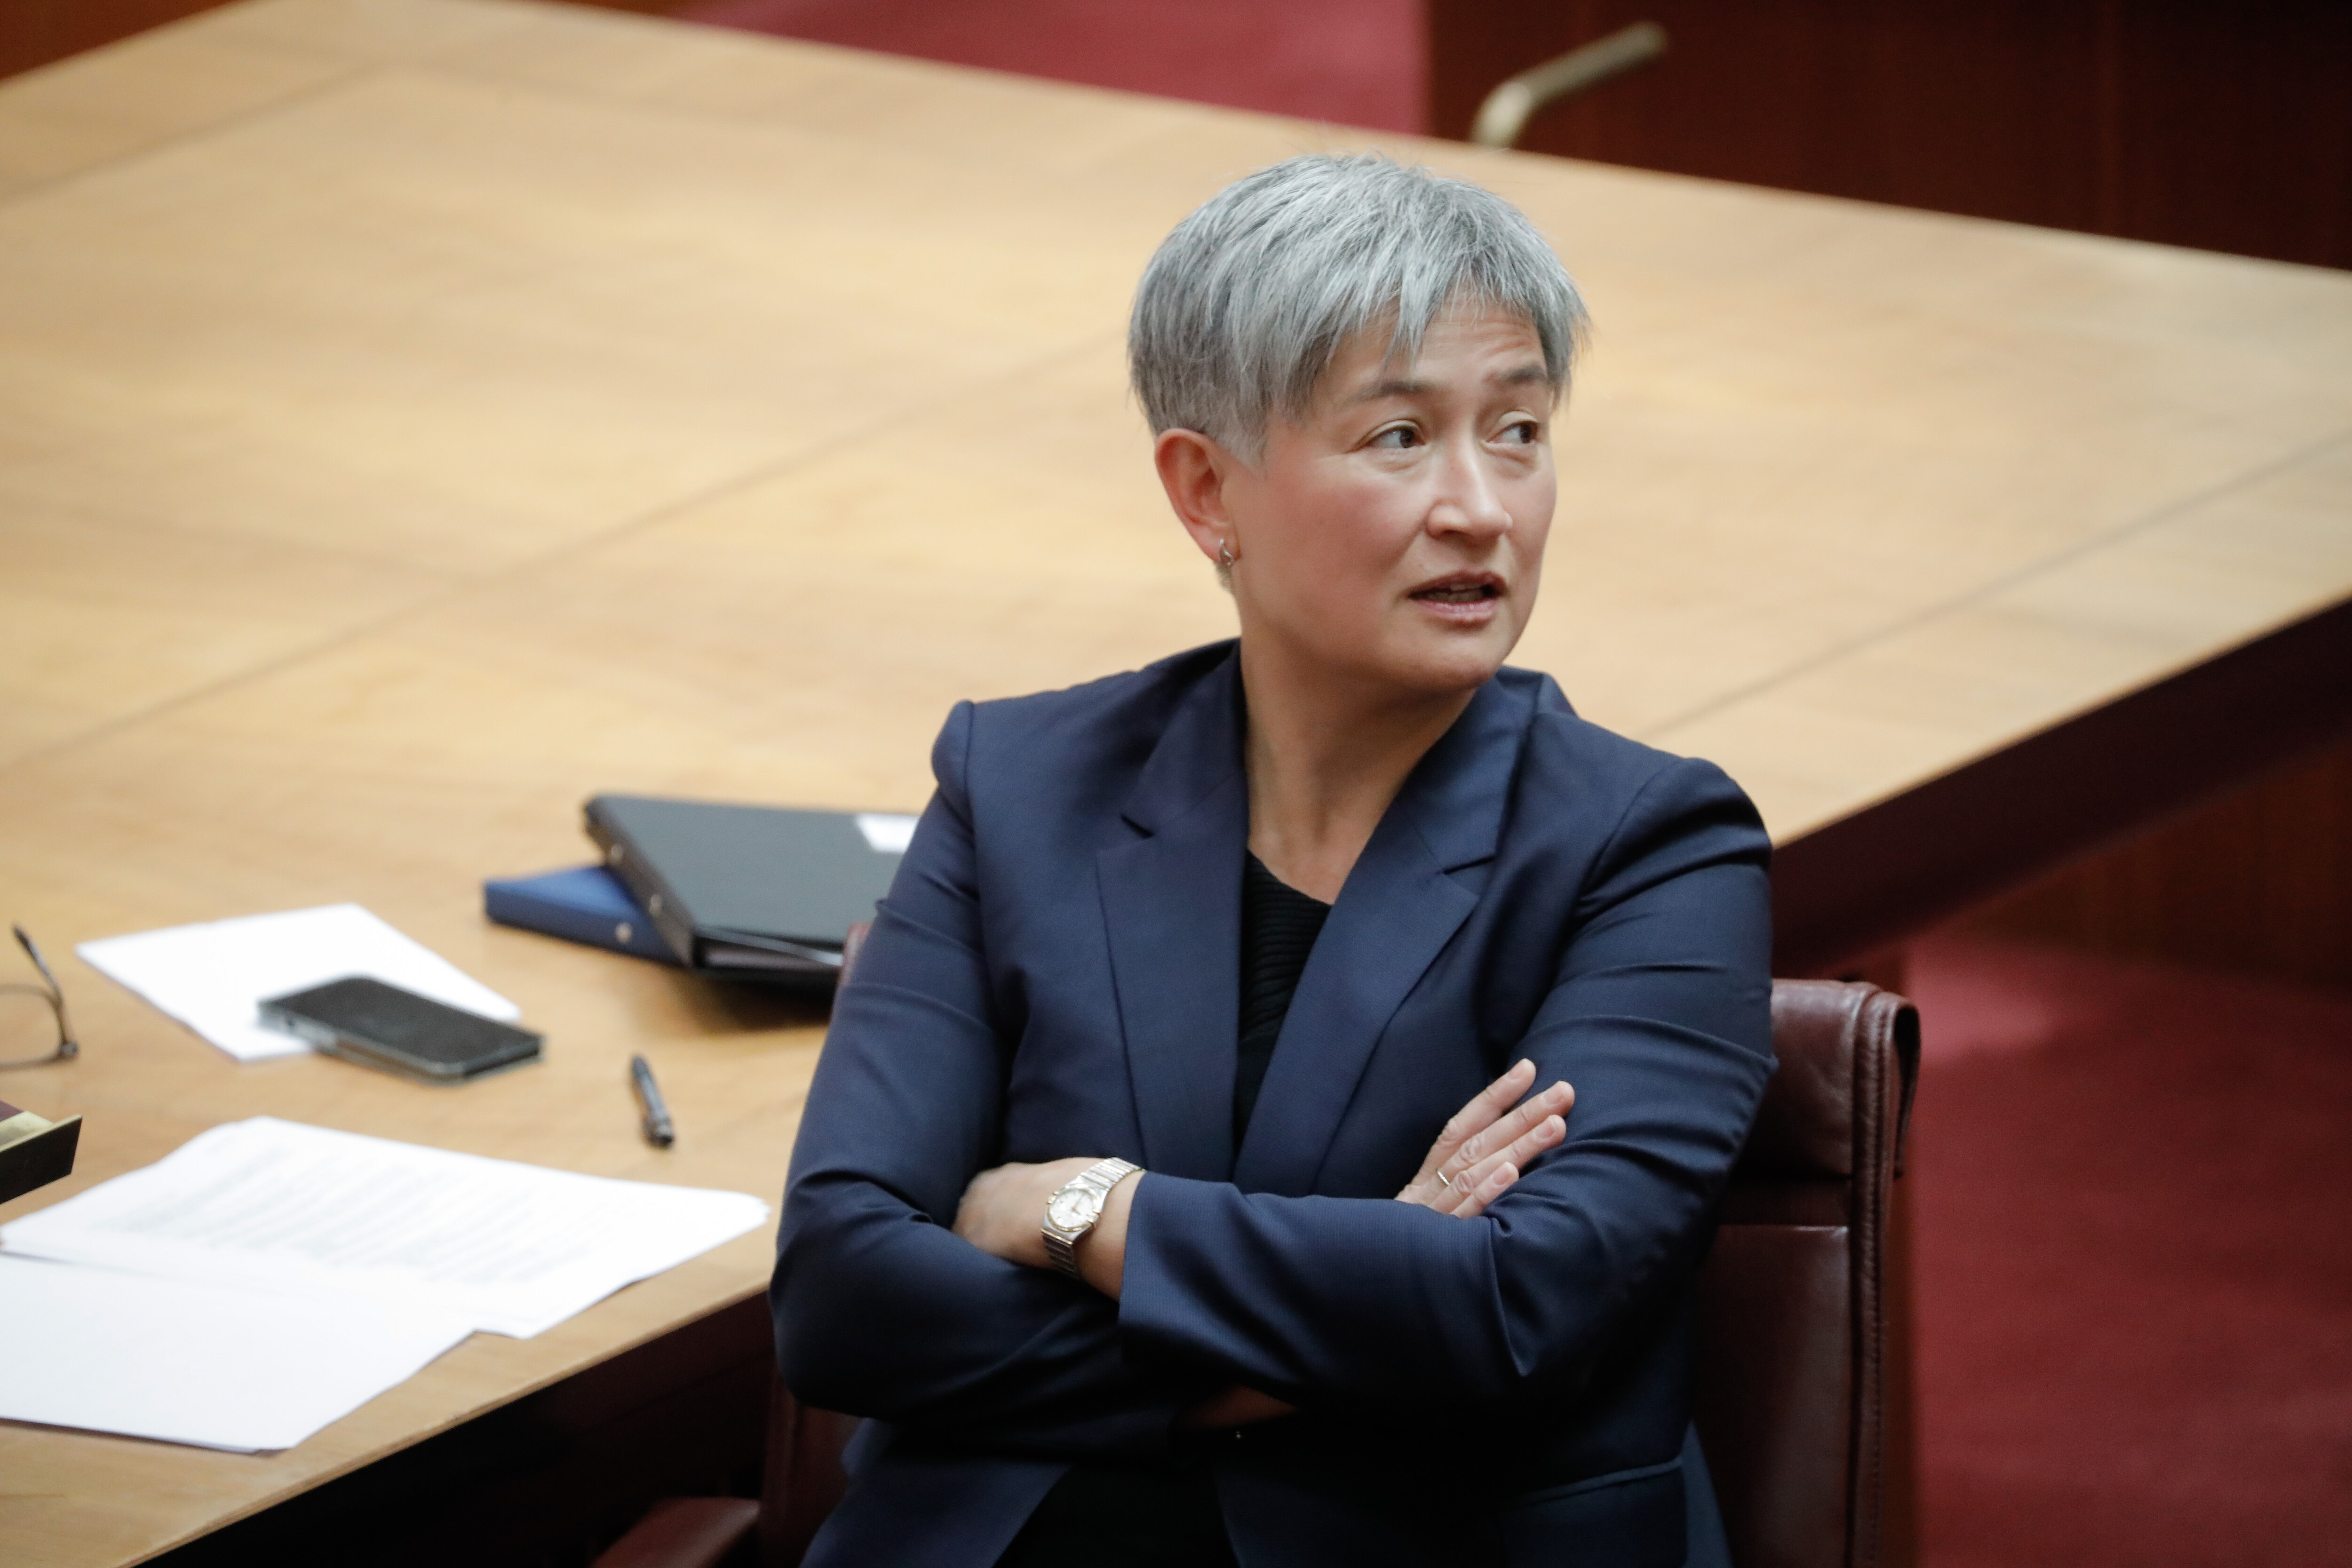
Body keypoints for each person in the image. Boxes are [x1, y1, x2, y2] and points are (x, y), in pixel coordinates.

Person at [773, 152, 1773, 1568]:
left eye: (1522, 431)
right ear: (1205, 492)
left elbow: (1515, 1306)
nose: (1482, 507)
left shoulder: (1654, 848)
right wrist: (1322, 1332)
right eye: (1399, 438)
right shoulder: (1023, 786)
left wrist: (1078, 1211)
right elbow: (843, 1294)